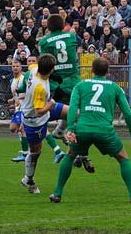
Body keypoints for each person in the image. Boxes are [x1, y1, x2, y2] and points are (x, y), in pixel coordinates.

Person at [49, 57, 131, 204]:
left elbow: (72, 108)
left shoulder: (80, 86)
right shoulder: (115, 87)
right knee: (123, 158)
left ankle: (57, 193)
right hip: (104, 131)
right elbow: (129, 115)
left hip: (82, 129)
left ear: (92, 70)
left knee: (70, 155)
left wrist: (71, 129)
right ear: (108, 71)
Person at [38, 14, 95, 172]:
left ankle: (61, 134)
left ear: (48, 27)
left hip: (57, 84)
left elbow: (45, 61)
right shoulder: (71, 36)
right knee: (78, 117)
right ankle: (80, 154)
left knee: (67, 114)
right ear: (63, 24)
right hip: (74, 82)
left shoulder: (43, 42)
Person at [16, 54, 69, 194]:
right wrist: (51, 103)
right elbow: (39, 111)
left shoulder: (33, 69)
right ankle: (28, 179)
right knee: (35, 152)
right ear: (51, 70)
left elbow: (23, 82)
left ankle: (60, 132)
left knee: (73, 112)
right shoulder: (39, 87)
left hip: (44, 110)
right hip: (35, 120)